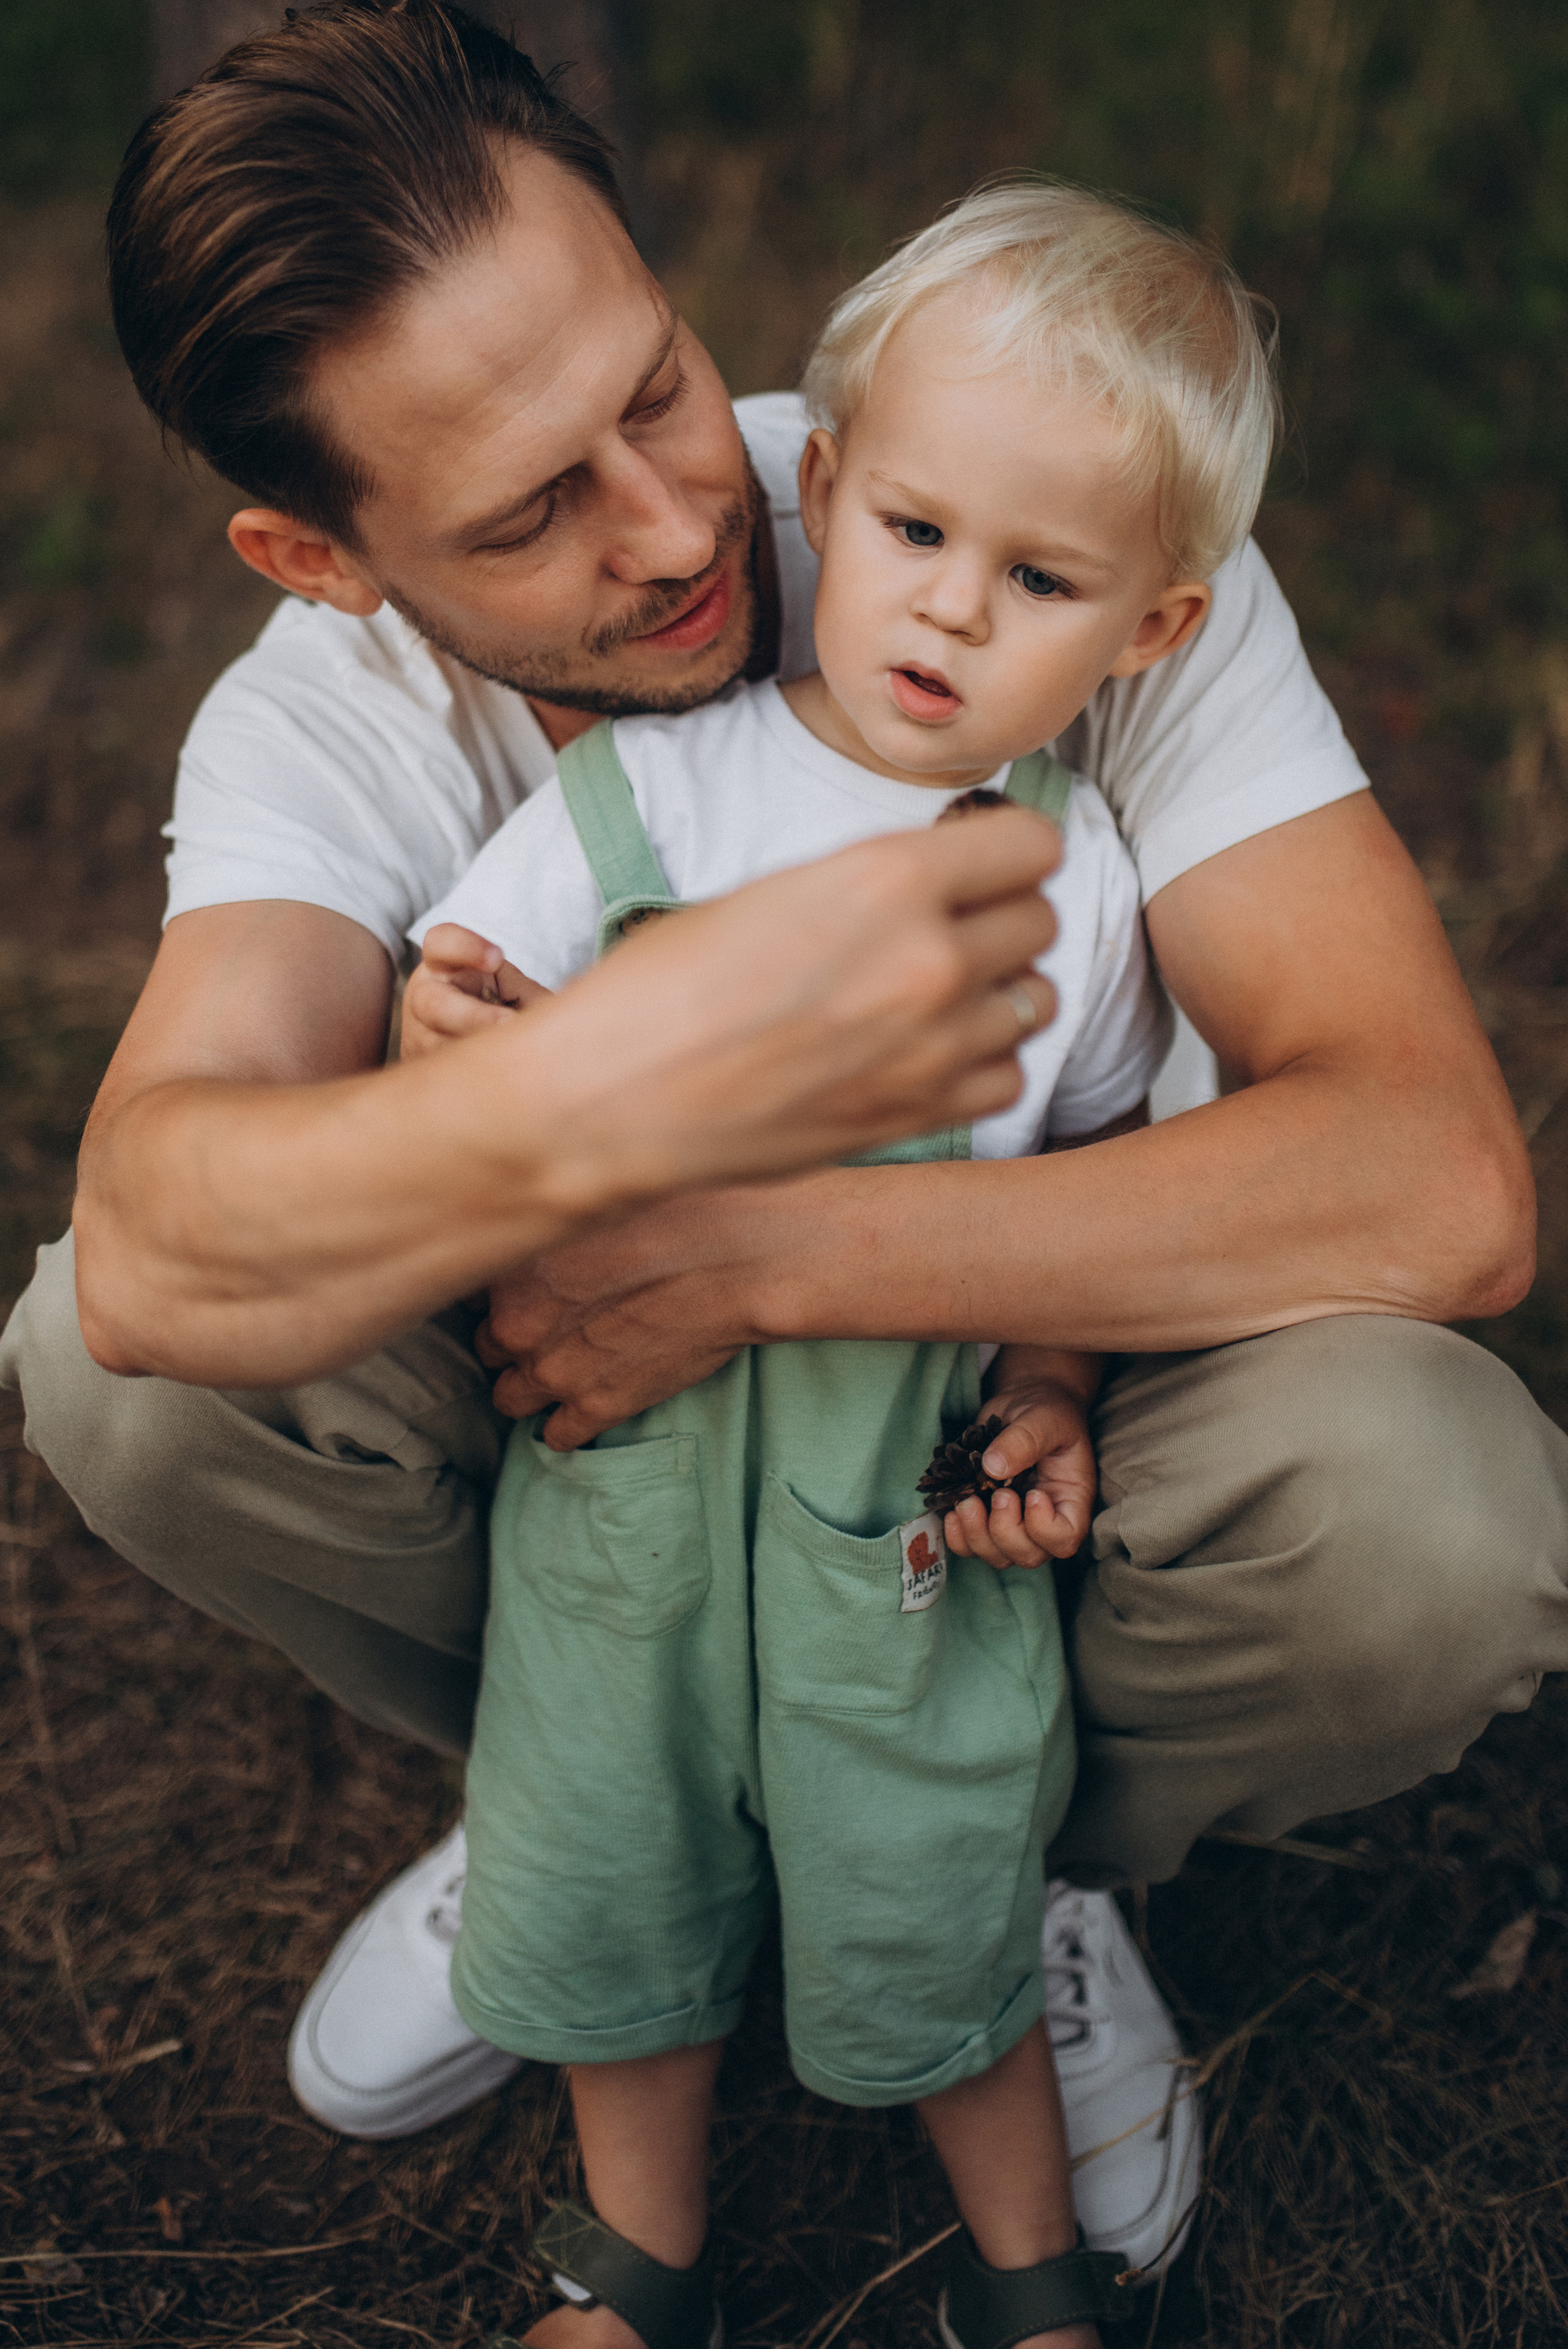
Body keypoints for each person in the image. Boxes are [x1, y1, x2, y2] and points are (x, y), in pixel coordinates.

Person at [0, 0, 1559, 2289]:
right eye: (530, 508)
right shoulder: (321, 723)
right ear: (316, 557)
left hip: (980, 1443)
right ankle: (588, 1813)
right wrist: (562, 1099)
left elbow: (1439, 1177)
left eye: (649, 383)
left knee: (1434, 1499)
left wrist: (766, 1251)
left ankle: (997, 1856)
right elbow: (151, 1243)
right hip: (603, 1480)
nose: (674, 523)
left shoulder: (1018, 498)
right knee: (116, 1362)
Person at [395, 176, 1275, 2349]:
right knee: (611, 1861)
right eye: (914, 535)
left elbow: (1086, 1175)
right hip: (628, 1475)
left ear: (1148, 632)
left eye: (1040, 575)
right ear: (826, 489)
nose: (955, 609)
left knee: (936, 1868)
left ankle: (1027, 2272)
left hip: (901, 1505)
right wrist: (451, 1028)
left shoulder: (1081, 886)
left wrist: (1052, 1391)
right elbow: (463, 1008)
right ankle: (641, 2265)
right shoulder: (655, 803)